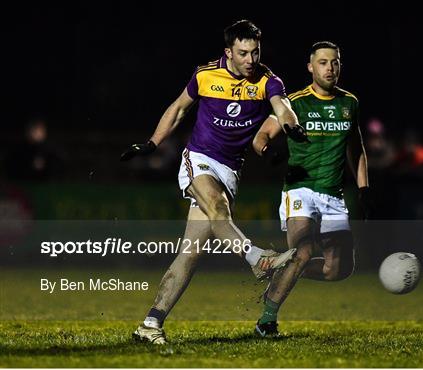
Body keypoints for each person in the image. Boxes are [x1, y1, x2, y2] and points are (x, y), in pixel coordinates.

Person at [120, 20, 308, 344]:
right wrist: (152, 143)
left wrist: (291, 126)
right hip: (199, 159)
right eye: (243, 53)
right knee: (219, 208)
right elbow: (179, 108)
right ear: (228, 52)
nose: (250, 59)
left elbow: (282, 107)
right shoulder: (205, 75)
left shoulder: (267, 80)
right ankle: (257, 259)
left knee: (189, 254)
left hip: (230, 171)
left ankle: (150, 324)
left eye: (255, 52)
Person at [252, 41, 369, 336]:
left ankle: (285, 271)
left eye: (335, 62)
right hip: (300, 190)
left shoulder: (349, 103)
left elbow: (356, 150)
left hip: (333, 195)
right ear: (310, 67)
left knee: (338, 270)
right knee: (303, 251)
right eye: (323, 63)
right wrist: (269, 152)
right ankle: (267, 318)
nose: (330, 68)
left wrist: (365, 190)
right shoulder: (295, 102)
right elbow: (260, 137)